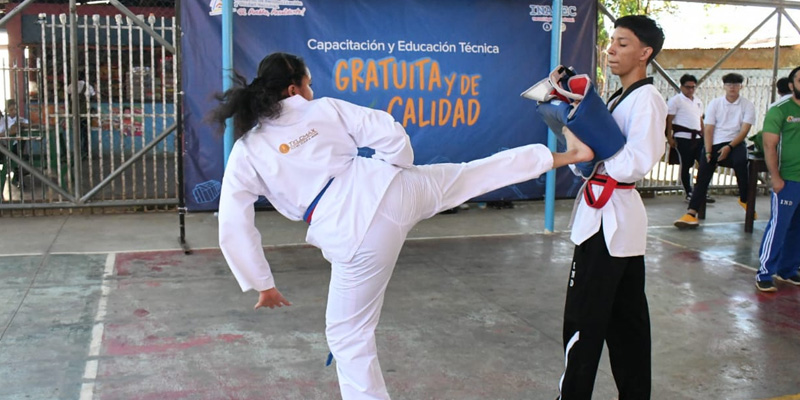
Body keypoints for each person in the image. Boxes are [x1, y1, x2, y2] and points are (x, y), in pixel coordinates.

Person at [208, 52, 594, 400]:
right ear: (294, 88)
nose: (312, 90)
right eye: (309, 84)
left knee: (348, 338)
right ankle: (571, 154)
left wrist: (263, 283)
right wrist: (398, 166)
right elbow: (387, 130)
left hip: (353, 232)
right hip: (391, 187)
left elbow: (233, 219)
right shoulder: (322, 109)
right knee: (471, 175)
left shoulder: (247, 150)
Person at [556, 15, 666, 400]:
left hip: (612, 222)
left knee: (583, 322)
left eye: (622, 43)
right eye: (611, 42)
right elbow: (592, 159)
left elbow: (637, 161)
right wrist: (575, 137)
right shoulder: (619, 96)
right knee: (626, 322)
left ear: (645, 52)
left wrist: (597, 145)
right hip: (606, 220)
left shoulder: (648, 99)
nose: (611, 50)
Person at [674, 73, 756, 228]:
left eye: (736, 84)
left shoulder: (747, 105)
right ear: (724, 86)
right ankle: (691, 213)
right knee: (704, 172)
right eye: (729, 84)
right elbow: (709, 128)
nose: (732, 87)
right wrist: (708, 151)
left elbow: (744, 130)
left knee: (741, 162)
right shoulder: (715, 103)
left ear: (741, 86)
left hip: (736, 143)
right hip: (716, 142)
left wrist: (730, 146)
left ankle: (744, 199)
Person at [754, 66, 800, 292]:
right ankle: (765, 272)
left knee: (797, 228)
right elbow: (769, 146)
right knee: (779, 227)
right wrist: (776, 178)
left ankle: (788, 270)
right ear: (792, 85)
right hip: (788, 180)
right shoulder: (780, 110)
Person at [666, 74, 714, 203]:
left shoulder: (698, 101)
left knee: (705, 164)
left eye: (693, 87)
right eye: (688, 87)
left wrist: (704, 135)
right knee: (686, 165)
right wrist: (669, 137)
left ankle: (701, 191)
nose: (690, 90)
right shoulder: (675, 101)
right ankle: (689, 192)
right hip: (683, 137)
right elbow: (669, 120)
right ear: (682, 87)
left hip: (698, 137)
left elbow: (700, 119)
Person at [0, 99, 30, 187]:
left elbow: (28, 123)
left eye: (15, 109)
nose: (13, 111)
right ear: (7, 110)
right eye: (11, 109)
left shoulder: (19, 119)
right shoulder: (3, 120)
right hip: (5, 147)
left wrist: (19, 124)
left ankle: (17, 178)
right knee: (18, 159)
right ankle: (17, 178)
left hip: (16, 146)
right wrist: (10, 132)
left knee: (20, 157)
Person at [67, 71, 96, 159]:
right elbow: (94, 96)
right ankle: (86, 152)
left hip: (75, 113)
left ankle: (77, 153)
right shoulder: (88, 86)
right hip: (85, 114)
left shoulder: (71, 86)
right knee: (86, 134)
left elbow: (67, 95)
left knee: (77, 134)